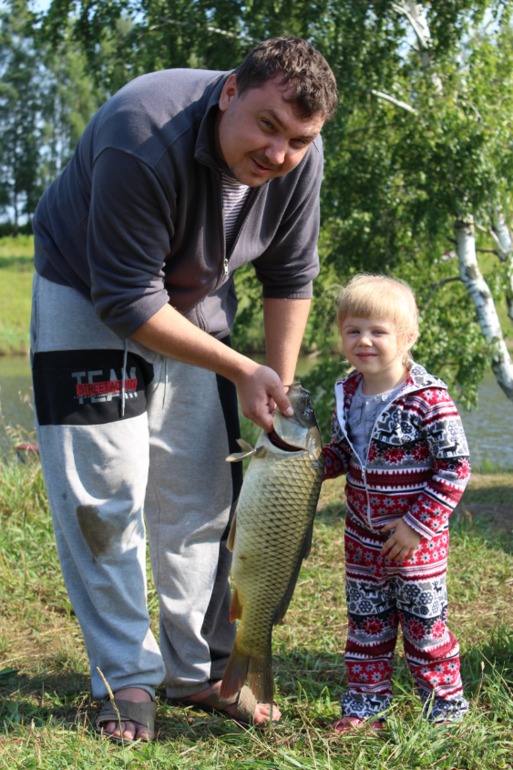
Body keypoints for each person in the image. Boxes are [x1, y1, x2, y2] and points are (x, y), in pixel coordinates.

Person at [30, 37, 338, 742]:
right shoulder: (141, 130)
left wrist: (277, 389)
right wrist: (238, 367)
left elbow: (289, 277)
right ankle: (125, 677)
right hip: (90, 290)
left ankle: (195, 670)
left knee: (199, 491)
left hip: (195, 301)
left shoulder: (299, 158)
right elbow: (126, 302)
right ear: (230, 91)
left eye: (297, 139)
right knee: (103, 495)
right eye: (267, 126)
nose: (279, 153)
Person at [322, 274, 471, 733]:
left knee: (425, 627)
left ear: (406, 338)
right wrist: (298, 460)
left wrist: (416, 526)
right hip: (362, 540)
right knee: (367, 628)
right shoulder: (346, 395)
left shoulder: (428, 399)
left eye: (378, 331)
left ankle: (444, 709)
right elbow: (341, 454)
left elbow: (455, 467)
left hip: (415, 544)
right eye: (353, 330)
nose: (364, 340)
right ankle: (367, 708)